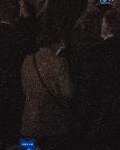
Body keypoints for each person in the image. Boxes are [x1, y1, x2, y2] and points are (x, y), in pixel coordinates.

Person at [20, 15, 75, 150]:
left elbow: (24, 88)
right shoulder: (60, 62)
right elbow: (68, 92)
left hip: (29, 120)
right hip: (52, 122)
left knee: (30, 148)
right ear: (55, 43)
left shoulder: (27, 60)